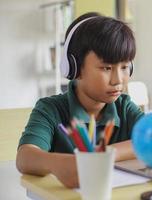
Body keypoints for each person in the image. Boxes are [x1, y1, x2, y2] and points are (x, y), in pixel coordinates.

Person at [16, 12, 144, 188]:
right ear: (73, 66)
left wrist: (103, 154)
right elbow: (25, 157)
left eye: (124, 67)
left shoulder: (124, 106)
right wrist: (56, 164)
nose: (118, 80)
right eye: (106, 68)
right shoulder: (50, 109)